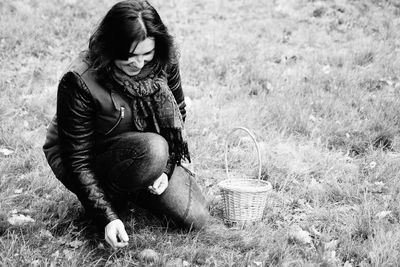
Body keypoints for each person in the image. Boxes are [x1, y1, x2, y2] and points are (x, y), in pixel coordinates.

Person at [43, 0, 210, 249]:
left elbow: (178, 113)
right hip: (92, 157)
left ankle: (139, 184)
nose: (139, 64)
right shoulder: (79, 79)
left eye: (146, 54)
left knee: (196, 217)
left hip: (144, 151)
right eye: (130, 56)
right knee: (154, 149)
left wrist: (166, 170)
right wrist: (107, 218)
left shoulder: (165, 62)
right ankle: (112, 198)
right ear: (111, 47)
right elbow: (76, 158)